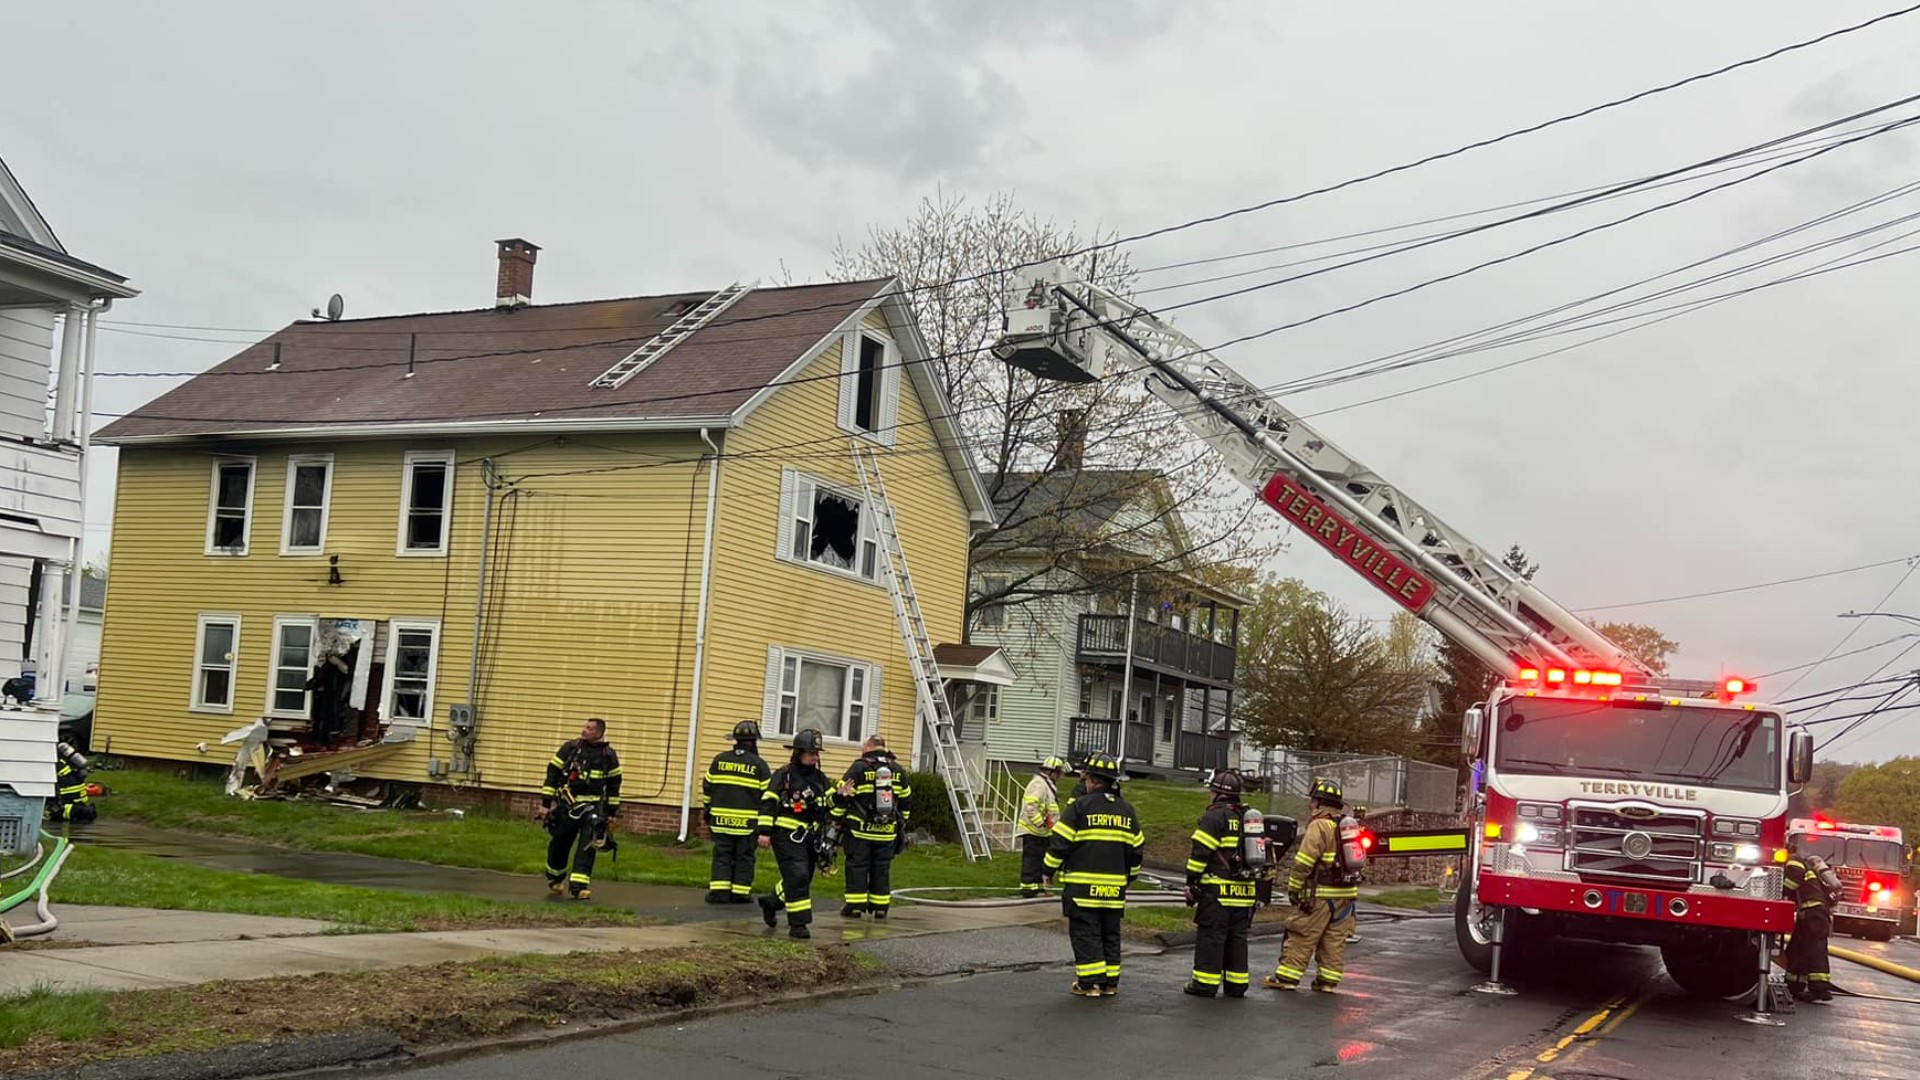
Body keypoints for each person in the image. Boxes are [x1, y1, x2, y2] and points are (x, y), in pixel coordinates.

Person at [1045, 752, 1144, 998]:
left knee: (1086, 935)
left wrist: (1047, 870)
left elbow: (1060, 843)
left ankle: (1089, 984)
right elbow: (1136, 850)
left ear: (1092, 780)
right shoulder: (1127, 810)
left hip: (1083, 890)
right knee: (1110, 935)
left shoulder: (1080, 807)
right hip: (1114, 891)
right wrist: (1130, 878)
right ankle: (1110, 983)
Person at [1265, 777, 1360, 992]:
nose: (1310, 804)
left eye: (1313, 800)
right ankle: (1327, 982)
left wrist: (1294, 887)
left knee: (1302, 933)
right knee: (1334, 940)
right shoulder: (1345, 826)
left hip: (1320, 897)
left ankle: (1287, 978)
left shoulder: (1319, 825)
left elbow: (1304, 861)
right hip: (1346, 897)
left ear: (1319, 803)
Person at [1184, 769, 1258, 998]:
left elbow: (1200, 854)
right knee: (1237, 939)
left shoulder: (1214, 817)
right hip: (1244, 893)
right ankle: (1236, 985)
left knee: (1212, 937)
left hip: (1218, 893)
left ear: (1216, 793)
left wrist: (1191, 883)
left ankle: (1204, 984)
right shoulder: (1247, 817)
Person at [758, 727, 835, 940]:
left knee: (802, 879)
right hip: (786, 835)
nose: (815, 757)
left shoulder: (820, 778)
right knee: (798, 875)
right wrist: (764, 832)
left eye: (816, 753)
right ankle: (798, 925)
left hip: (812, 837)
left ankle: (771, 902)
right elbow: (768, 802)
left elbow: (829, 804)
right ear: (798, 752)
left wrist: (840, 796)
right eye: (811, 753)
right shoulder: (783, 775)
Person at [537, 717, 623, 901]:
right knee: (560, 843)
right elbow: (552, 774)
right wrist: (545, 803)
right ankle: (555, 877)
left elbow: (614, 785)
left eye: (590, 728)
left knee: (588, 846)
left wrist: (612, 813)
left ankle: (579, 887)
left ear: (599, 733)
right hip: (567, 805)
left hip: (593, 808)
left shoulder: (608, 755)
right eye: (585, 727)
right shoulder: (570, 748)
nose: (584, 730)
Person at [833, 734, 913, 920]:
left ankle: (855, 907)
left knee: (857, 867)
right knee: (881, 869)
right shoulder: (898, 770)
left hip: (860, 832)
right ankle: (880, 907)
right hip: (886, 833)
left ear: (868, 747)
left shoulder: (859, 768)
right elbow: (906, 800)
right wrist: (900, 825)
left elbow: (843, 794)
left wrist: (836, 818)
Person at [702, 720, 772, 904]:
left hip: (720, 821)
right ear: (754, 742)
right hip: (747, 824)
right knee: (744, 857)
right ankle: (740, 893)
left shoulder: (719, 760)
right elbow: (768, 797)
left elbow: (708, 787)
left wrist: (707, 809)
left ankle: (719, 893)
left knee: (722, 856)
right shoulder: (759, 765)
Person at [1781, 838, 1836, 1003]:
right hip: (1808, 914)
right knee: (1796, 949)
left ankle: (1820, 988)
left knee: (1815, 950)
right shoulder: (1799, 862)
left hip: (1814, 913)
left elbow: (1792, 882)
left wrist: (1779, 891)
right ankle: (1794, 985)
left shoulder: (1794, 861)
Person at [1018, 756, 1069, 898]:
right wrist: (1040, 822)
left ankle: (1038, 888)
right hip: (1033, 830)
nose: (1059, 776)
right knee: (1032, 860)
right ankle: (1028, 889)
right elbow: (1030, 805)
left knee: (1040, 860)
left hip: (1042, 832)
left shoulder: (1047, 784)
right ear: (1051, 772)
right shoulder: (1039, 784)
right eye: (1058, 773)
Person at [50, 741, 95, 824]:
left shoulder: (53, 764)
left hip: (69, 798)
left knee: (53, 810)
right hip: (80, 798)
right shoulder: (65, 762)